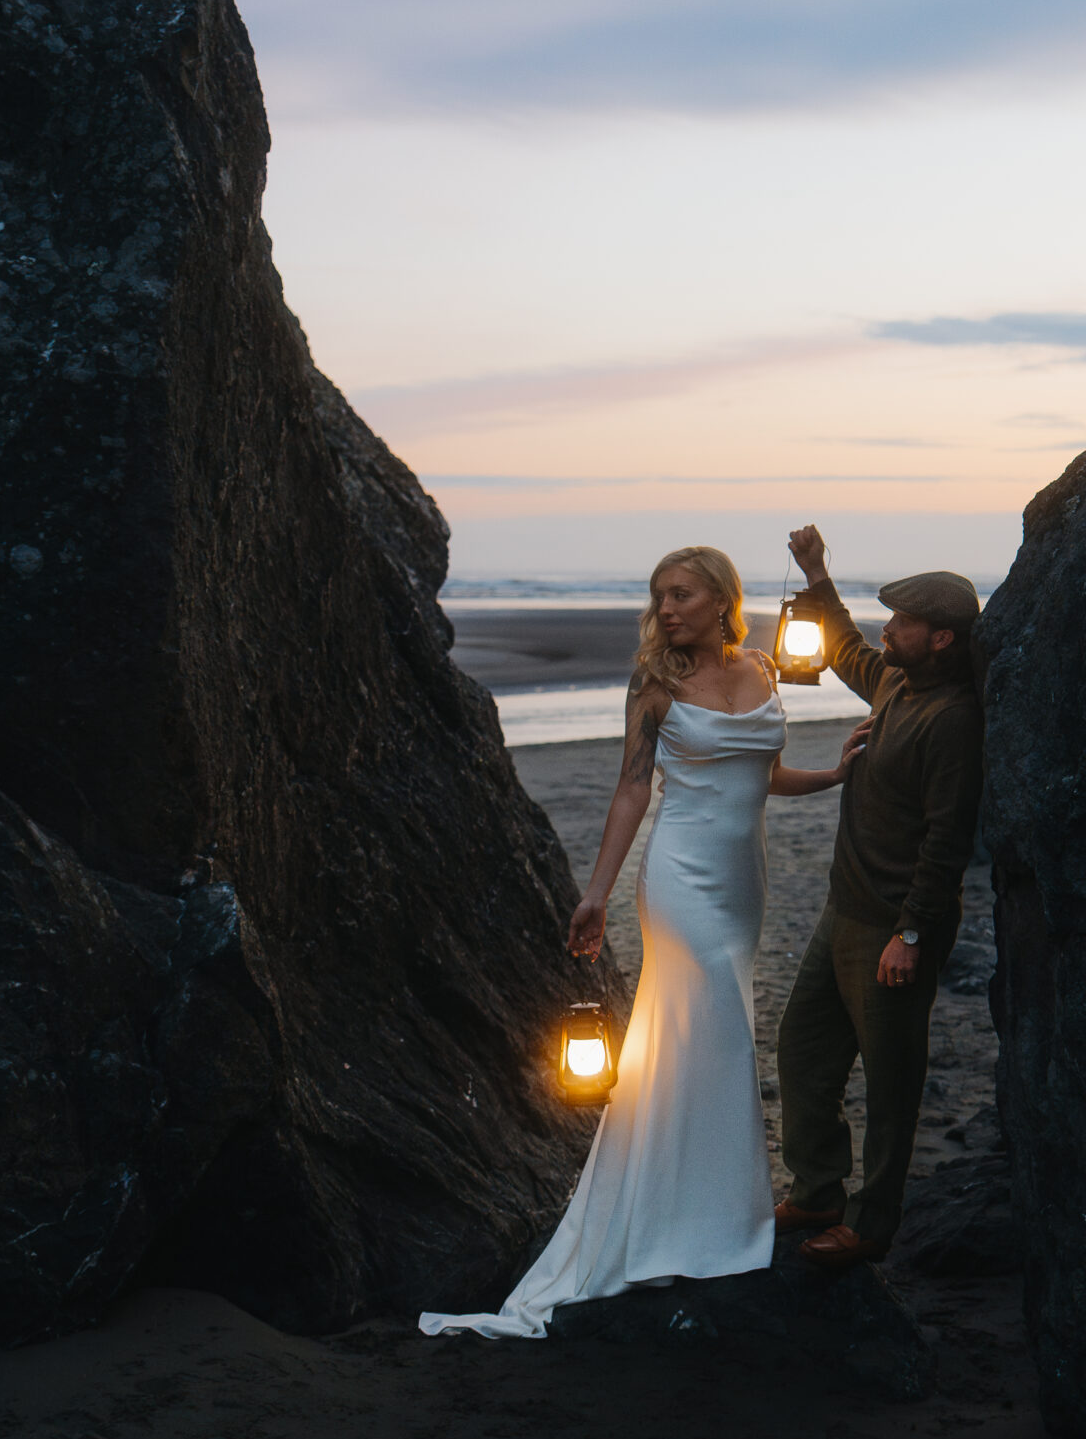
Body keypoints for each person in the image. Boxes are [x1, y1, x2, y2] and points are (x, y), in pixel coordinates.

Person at [420, 545, 860, 1340]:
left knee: (712, 1039)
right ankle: (697, 1223)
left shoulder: (761, 667)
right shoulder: (655, 685)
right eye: (658, 595)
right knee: (714, 1027)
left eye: (681, 594)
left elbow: (760, 773)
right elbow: (631, 790)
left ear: (722, 600)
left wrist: (828, 778)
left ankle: (708, 1207)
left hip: (744, 884)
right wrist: (596, 894)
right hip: (682, 879)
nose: (666, 608)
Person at [774, 525, 984, 1272]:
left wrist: (914, 935)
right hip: (843, 911)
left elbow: (947, 840)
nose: (886, 629)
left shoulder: (954, 720)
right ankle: (819, 1191)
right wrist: (817, 574)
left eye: (901, 621)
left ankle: (872, 1223)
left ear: (942, 639)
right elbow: (846, 650)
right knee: (802, 1052)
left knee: (892, 1083)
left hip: (895, 927)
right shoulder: (897, 679)